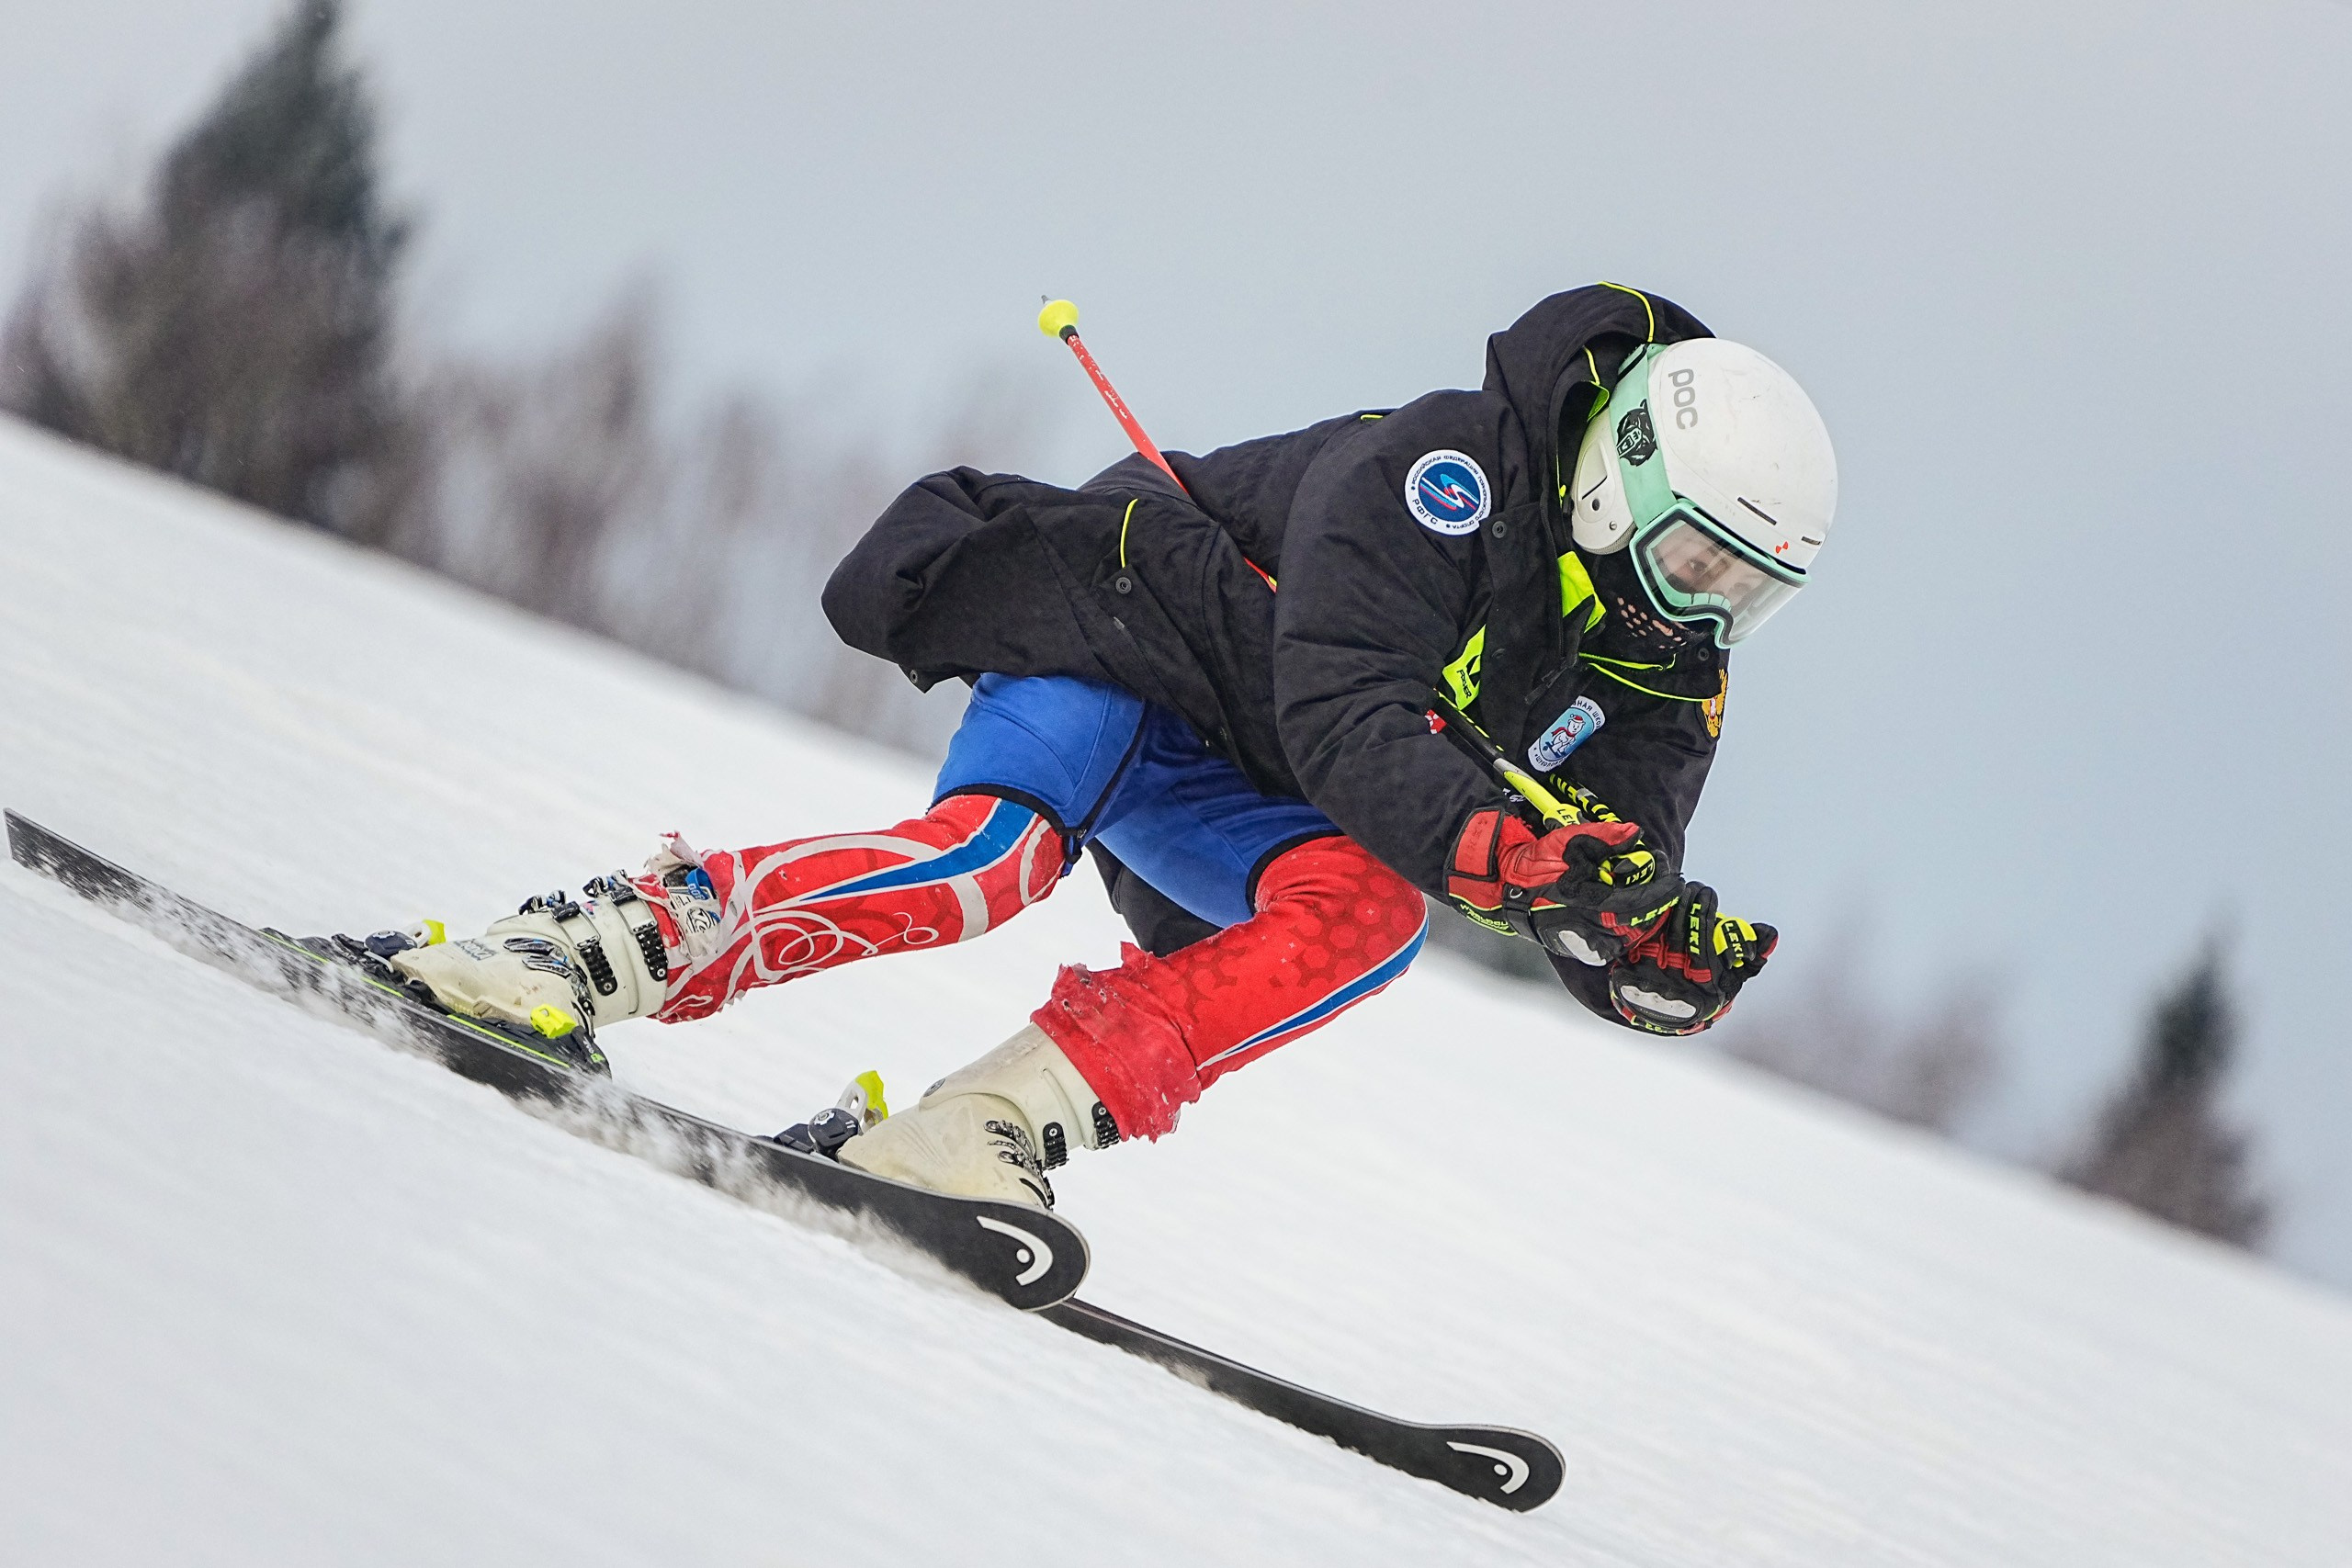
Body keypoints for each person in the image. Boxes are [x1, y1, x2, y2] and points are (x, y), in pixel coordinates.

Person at [379, 283, 1838, 1210]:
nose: (1713, 609)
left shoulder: (1674, 661)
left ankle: (984, 1128)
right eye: (1706, 564)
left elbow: (1612, 855)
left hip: (1245, 780)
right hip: (1124, 642)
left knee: (1372, 914)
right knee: (983, 868)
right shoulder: (1445, 471)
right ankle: (566, 954)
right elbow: (1347, 707)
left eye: (1754, 595)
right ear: (1619, 480)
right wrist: (1516, 854)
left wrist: (1639, 949)